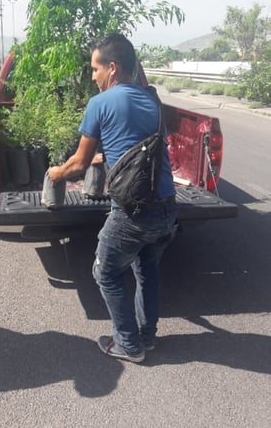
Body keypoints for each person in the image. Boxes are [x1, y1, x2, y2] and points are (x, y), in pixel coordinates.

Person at [48, 33, 178, 363]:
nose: (92, 77)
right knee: (147, 269)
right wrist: (97, 160)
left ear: (113, 68)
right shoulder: (152, 100)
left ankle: (128, 345)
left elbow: (76, 164)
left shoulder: (100, 104)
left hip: (133, 213)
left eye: (95, 69)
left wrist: (56, 174)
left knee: (104, 273)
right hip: (167, 209)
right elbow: (137, 149)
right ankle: (147, 338)